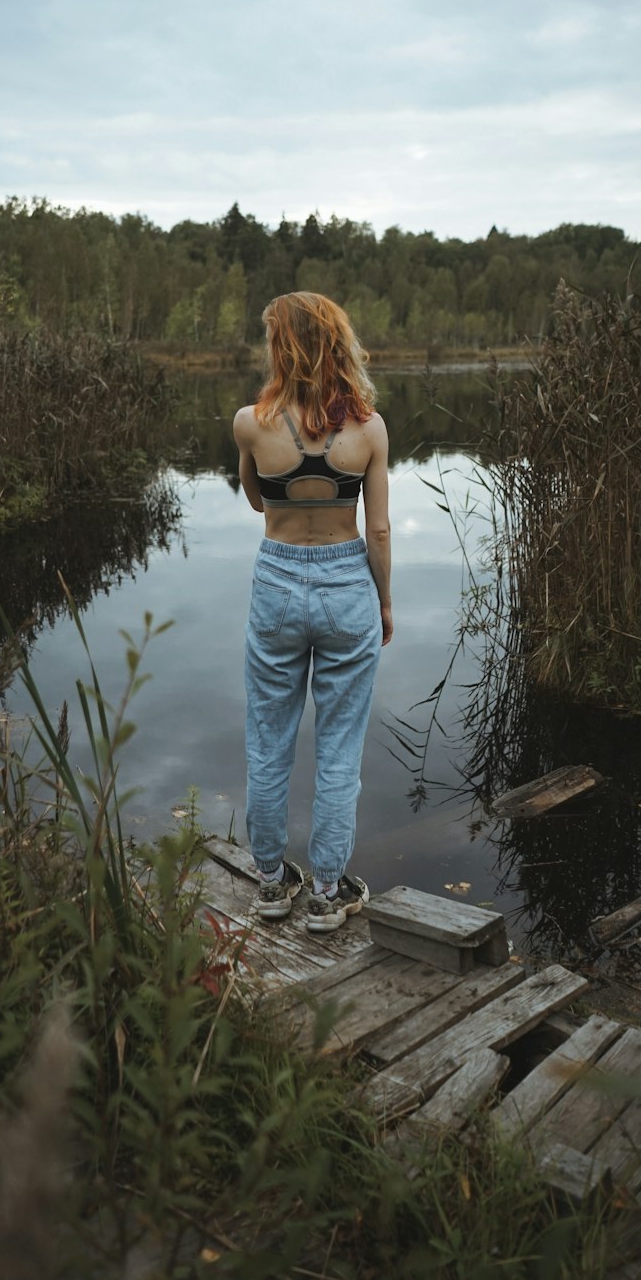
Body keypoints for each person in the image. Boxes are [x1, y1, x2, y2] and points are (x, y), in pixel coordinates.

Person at [233, 291, 392, 933]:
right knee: (339, 747)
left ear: (282, 347)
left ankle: (271, 886)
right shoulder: (370, 429)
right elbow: (378, 530)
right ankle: (327, 893)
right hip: (346, 581)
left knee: (268, 741)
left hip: (276, 579)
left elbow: (254, 500)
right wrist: (382, 602)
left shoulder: (250, 422)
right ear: (337, 345)